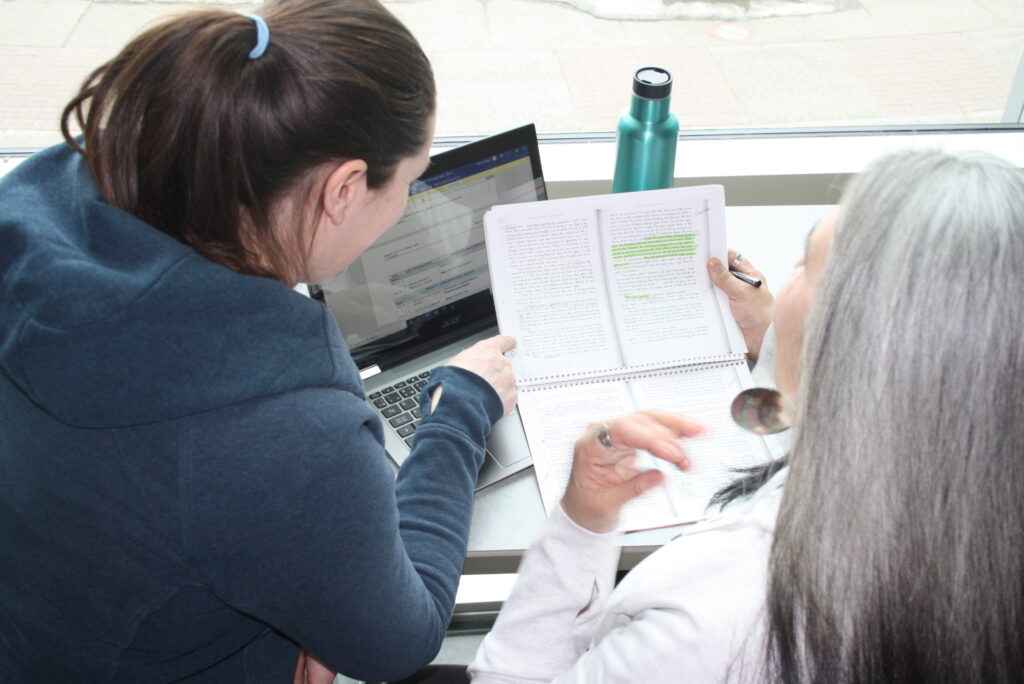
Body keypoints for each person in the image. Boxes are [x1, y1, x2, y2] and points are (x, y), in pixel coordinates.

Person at [0, 1, 517, 682]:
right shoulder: (283, 432)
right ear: (344, 188)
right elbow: (400, 641)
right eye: (411, 182)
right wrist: (460, 411)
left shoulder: (32, 206)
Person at [468, 147, 1024, 682]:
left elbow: (505, 677)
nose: (783, 280)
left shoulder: (708, 620)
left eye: (805, 266)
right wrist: (774, 343)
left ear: (851, 343)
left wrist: (581, 524)